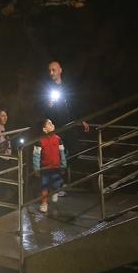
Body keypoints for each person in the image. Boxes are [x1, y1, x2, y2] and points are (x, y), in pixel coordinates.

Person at [40, 60, 90, 193]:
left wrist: (81, 120)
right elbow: (44, 111)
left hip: (70, 125)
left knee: (75, 151)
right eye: (49, 70)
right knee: (56, 157)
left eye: (53, 70)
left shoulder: (67, 87)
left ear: (60, 70)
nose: (51, 73)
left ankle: (65, 178)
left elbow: (73, 104)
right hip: (57, 128)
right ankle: (58, 186)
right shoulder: (47, 89)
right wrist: (48, 106)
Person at [32, 118, 66, 213]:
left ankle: (55, 191)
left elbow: (62, 153)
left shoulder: (58, 139)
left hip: (56, 167)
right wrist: (36, 168)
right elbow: (36, 156)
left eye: (52, 123)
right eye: (49, 124)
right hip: (45, 168)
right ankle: (44, 203)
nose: (52, 124)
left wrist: (63, 164)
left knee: (56, 183)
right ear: (44, 129)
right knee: (44, 186)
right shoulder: (40, 140)